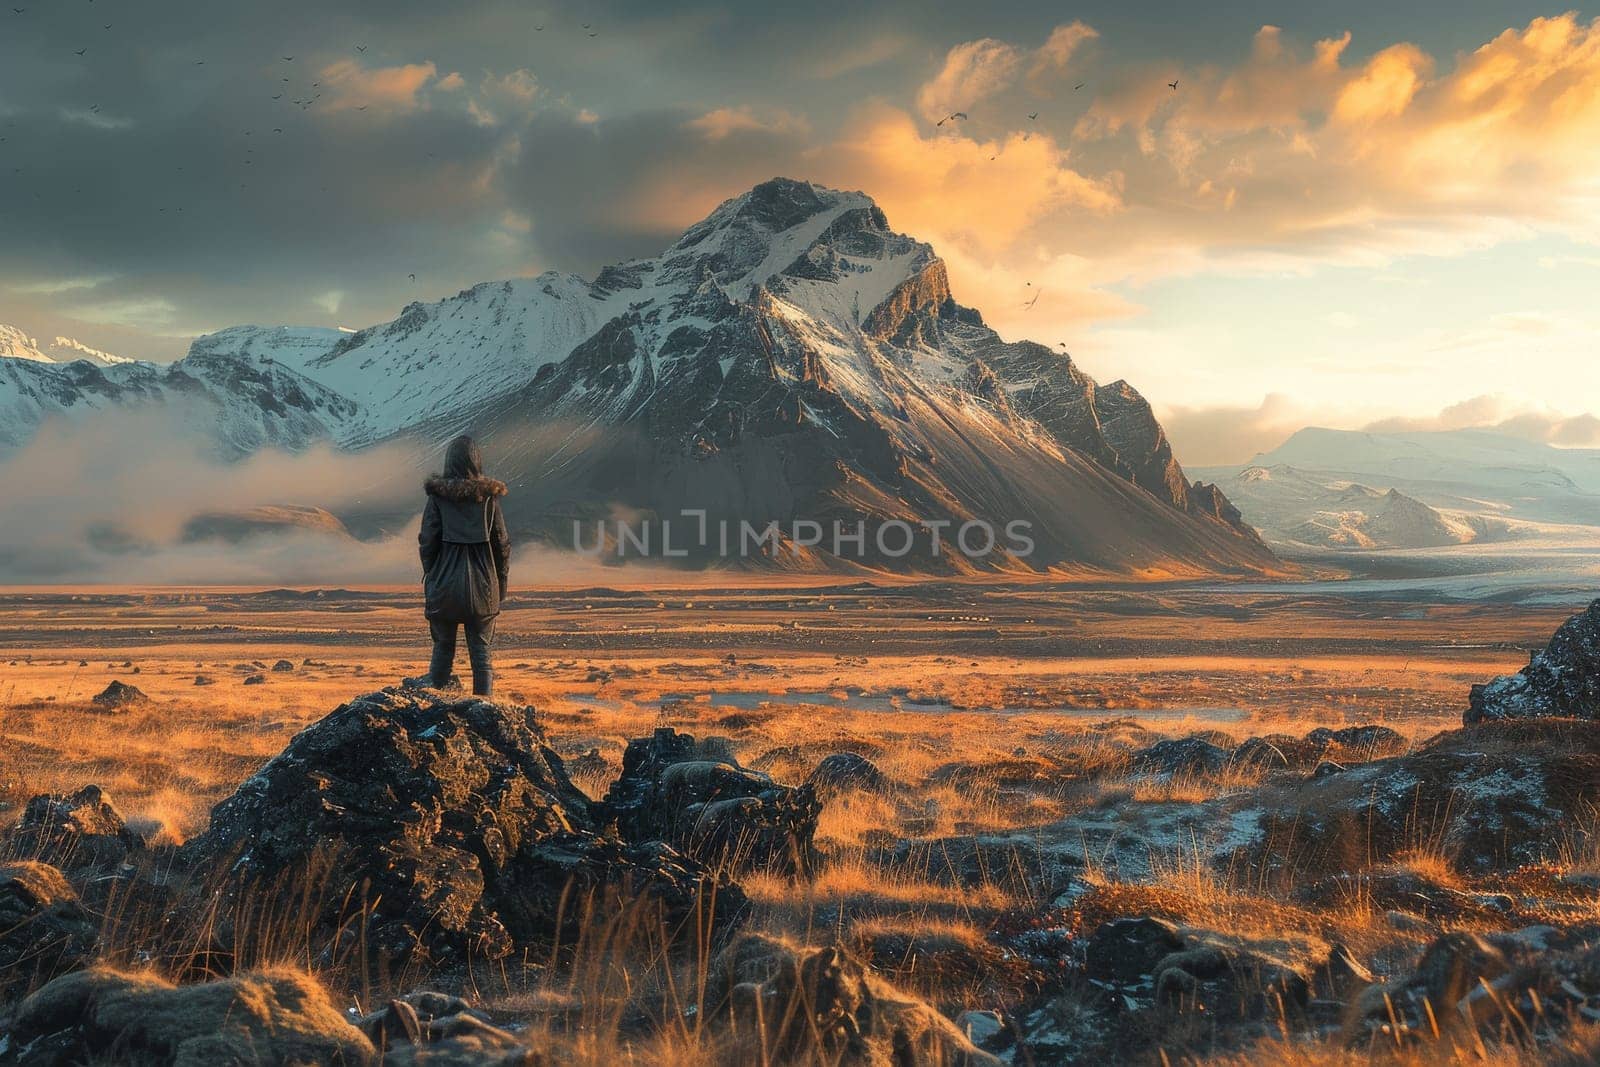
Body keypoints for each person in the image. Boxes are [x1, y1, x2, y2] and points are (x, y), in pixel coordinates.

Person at [417, 435, 510, 696]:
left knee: (443, 648)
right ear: (476, 461)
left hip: (444, 587)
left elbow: (427, 541)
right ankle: (485, 709)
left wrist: (433, 573)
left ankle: (433, 710)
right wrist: (500, 584)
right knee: (481, 655)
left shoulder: (437, 498)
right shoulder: (490, 500)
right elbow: (502, 545)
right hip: (483, 588)